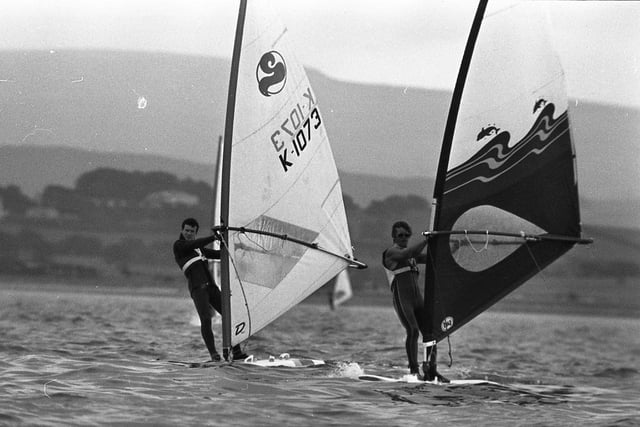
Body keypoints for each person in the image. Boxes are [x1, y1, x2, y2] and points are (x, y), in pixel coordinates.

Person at [173, 217, 248, 362]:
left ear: (195, 232)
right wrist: (213, 237)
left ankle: (236, 351)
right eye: (186, 230)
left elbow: (220, 255)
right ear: (182, 231)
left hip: (212, 288)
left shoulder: (198, 249)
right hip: (198, 290)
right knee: (206, 320)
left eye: (192, 231)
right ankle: (214, 354)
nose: (188, 233)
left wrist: (233, 247)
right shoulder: (179, 246)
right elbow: (195, 243)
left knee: (229, 317)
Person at [382, 220, 448, 382]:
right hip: (402, 300)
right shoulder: (391, 253)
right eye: (400, 235)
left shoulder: (413, 256)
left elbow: (435, 258)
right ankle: (413, 371)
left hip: (418, 301)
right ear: (394, 236)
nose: (403, 238)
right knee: (412, 331)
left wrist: (453, 246)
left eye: (406, 235)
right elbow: (406, 254)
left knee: (430, 333)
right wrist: (427, 239)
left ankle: (431, 370)